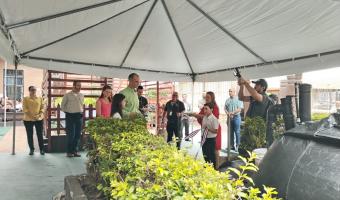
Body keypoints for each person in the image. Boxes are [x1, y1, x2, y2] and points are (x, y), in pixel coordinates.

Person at [61, 80, 84, 157]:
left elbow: (81, 105)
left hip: (79, 116)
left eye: (80, 85)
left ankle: (75, 151)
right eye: (78, 85)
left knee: (77, 135)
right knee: (71, 135)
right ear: (73, 86)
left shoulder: (81, 95)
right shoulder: (67, 95)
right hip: (70, 116)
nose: (79, 87)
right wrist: (69, 112)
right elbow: (62, 106)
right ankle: (69, 152)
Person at [23, 86, 45, 155]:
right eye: (32, 90)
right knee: (30, 135)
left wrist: (39, 115)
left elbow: (42, 107)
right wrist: (32, 117)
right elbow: (25, 109)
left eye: (35, 90)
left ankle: (42, 149)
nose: (34, 91)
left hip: (39, 119)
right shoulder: (26, 99)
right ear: (29, 91)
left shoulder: (40, 98)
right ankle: (31, 149)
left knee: (40, 135)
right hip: (28, 119)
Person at [201, 103, 219, 168]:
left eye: (206, 109)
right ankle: (206, 168)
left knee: (211, 155)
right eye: (204, 109)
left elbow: (216, 131)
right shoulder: (204, 117)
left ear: (211, 109)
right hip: (204, 138)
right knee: (205, 154)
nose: (205, 110)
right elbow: (203, 127)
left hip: (210, 139)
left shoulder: (214, 119)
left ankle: (213, 169)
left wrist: (208, 128)